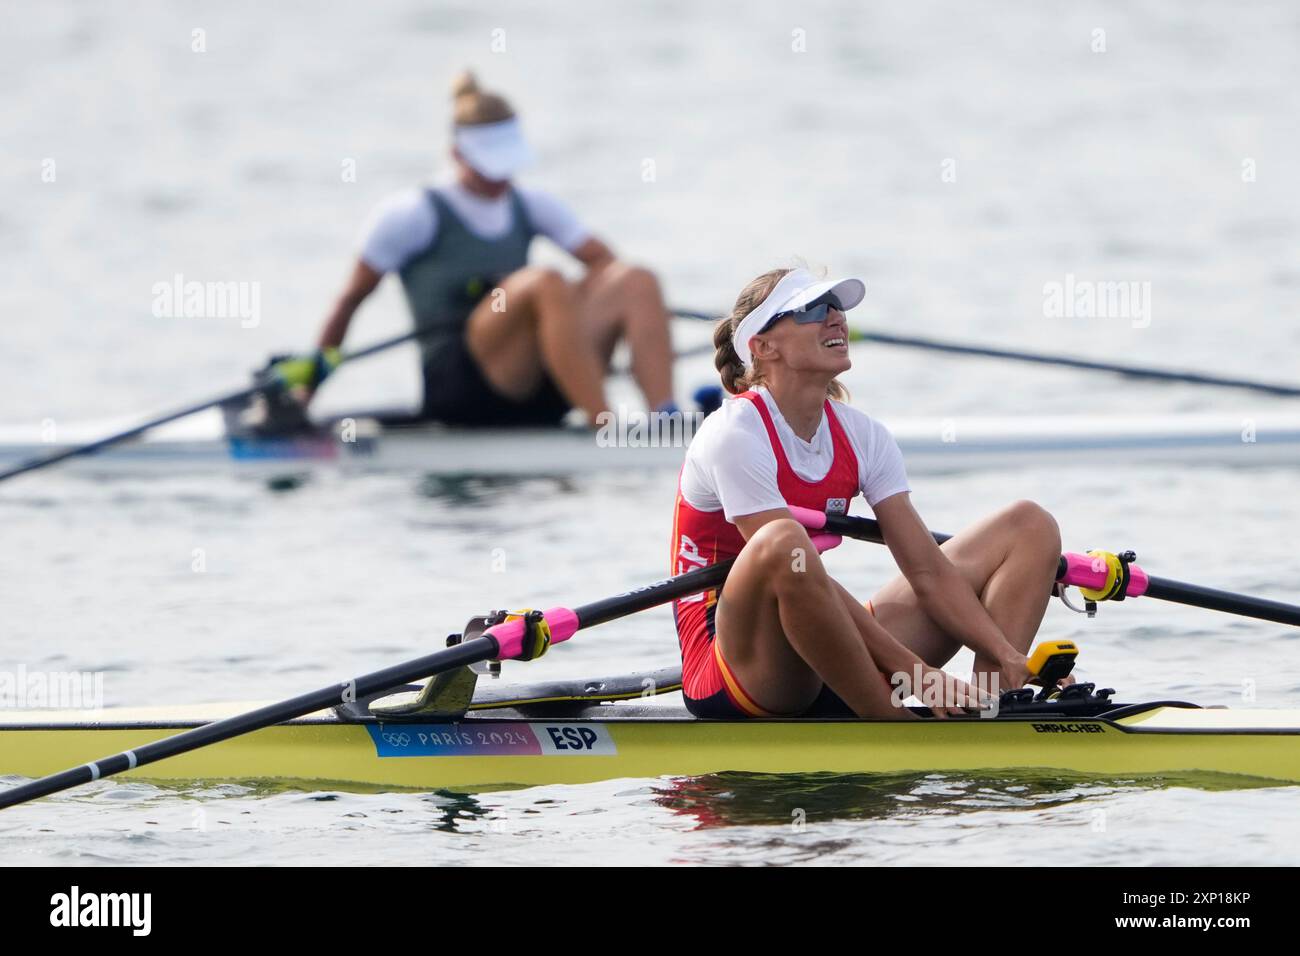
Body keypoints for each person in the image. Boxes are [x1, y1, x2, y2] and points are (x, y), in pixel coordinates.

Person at [670, 267, 1064, 719]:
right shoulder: (735, 433)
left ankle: (993, 701)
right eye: (813, 310)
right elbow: (789, 557)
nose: (836, 319)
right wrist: (914, 673)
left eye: (837, 308)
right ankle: (893, 726)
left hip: (825, 650)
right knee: (784, 543)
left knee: (1028, 525)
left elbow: (928, 573)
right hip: (738, 668)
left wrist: (1009, 654)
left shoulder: (863, 435)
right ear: (763, 346)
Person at [312, 72, 678, 428]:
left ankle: (665, 419)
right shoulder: (410, 214)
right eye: (490, 167)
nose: (501, 177)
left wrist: (572, 317)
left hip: (542, 384)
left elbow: (605, 267)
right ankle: (606, 427)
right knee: (546, 281)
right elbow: (349, 300)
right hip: (462, 389)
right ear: (457, 154)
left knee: (636, 279)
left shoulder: (531, 204)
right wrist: (304, 392)